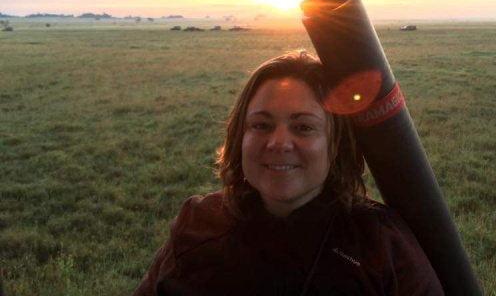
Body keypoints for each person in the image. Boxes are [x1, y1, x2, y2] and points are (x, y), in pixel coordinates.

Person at [135, 51, 443, 295]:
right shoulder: (197, 224)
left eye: (304, 127)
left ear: (335, 144)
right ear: (239, 137)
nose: (278, 143)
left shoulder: (382, 245)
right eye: (261, 125)